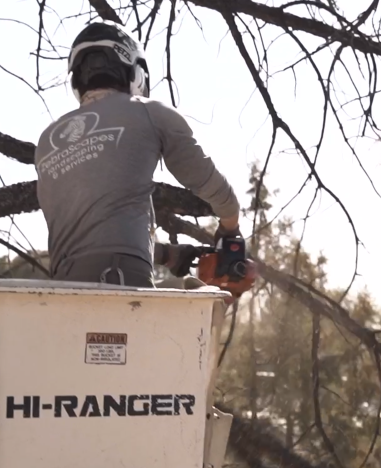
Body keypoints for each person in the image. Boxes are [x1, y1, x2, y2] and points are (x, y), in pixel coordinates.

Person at [35, 21, 242, 287]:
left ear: (76, 78)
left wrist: (167, 254)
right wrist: (230, 227)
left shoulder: (48, 140)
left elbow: (94, 235)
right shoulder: (149, 112)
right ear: (136, 73)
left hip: (64, 289)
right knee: (206, 293)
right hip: (122, 281)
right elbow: (207, 183)